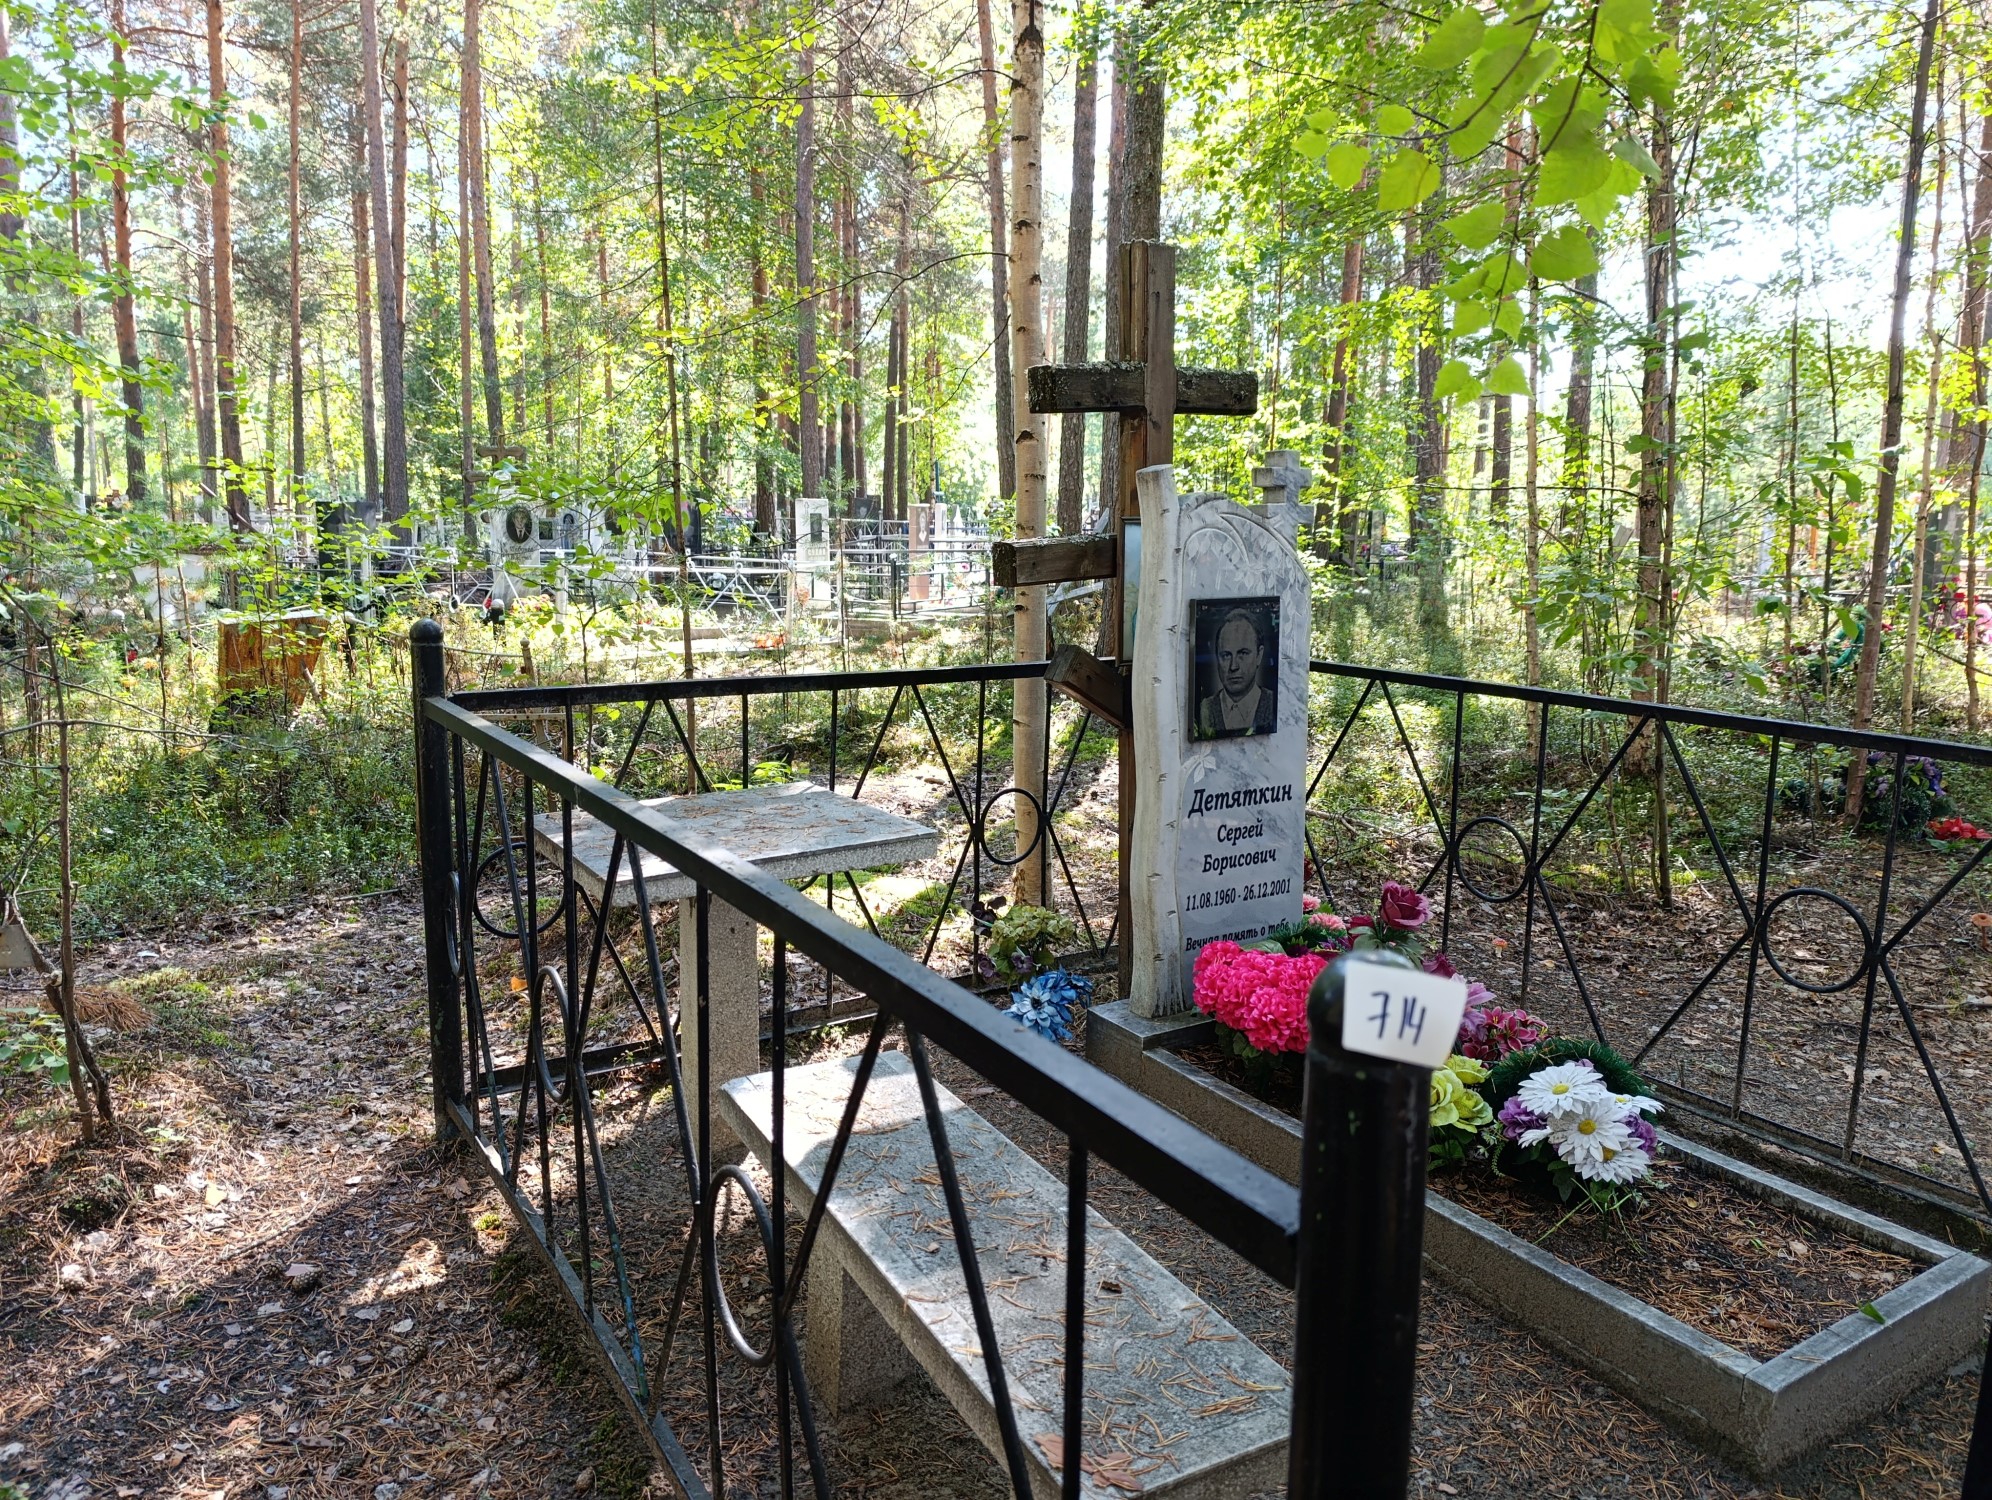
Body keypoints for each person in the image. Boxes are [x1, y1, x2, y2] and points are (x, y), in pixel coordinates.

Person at [1196, 607, 1278, 737]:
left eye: (1243, 654)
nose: (1233, 666)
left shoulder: (1274, 703)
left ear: (1259, 655)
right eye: (1226, 655)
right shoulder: (1205, 708)